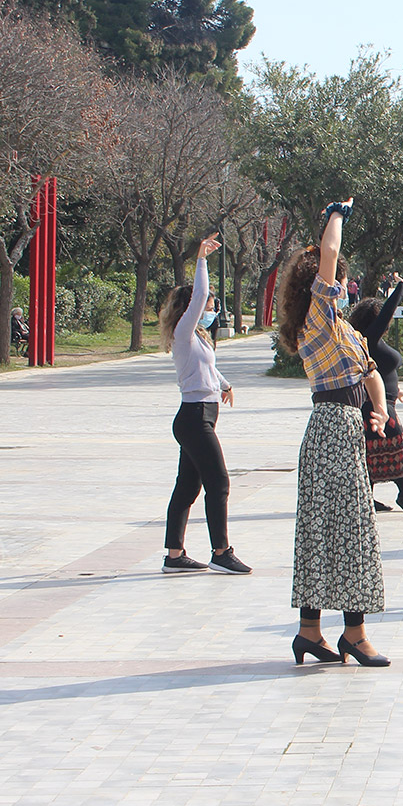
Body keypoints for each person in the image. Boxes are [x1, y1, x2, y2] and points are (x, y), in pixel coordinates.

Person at [279, 199, 392, 667]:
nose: (345, 286)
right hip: (332, 429)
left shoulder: (341, 329)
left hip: (342, 429)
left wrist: (381, 410)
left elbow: (370, 373)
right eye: (340, 280)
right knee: (350, 531)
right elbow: (329, 250)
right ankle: (354, 633)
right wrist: (337, 215)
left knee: (326, 529)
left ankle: (311, 632)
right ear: (320, 286)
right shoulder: (318, 319)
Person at [156, 233, 251, 576]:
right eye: (210, 307)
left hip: (203, 414)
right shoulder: (184, 330)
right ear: (191, 308)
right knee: (219, 482)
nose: (212, 311)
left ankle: (174, 554)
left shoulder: (197, 337)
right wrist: (201, 260)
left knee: (188, 486)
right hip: (194, 417)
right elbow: (197, 296)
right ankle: (221, 551)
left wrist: (224, 384)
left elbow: (208, 368)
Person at [347, 273, 403, 513]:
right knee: (395, 443)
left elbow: (383, 370)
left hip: (388, 401)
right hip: (374, 405)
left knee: (377, 448)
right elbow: (388, 311)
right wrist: (400, 287)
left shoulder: (372, 344)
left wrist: (396, 390)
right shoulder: (368, 339)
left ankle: (389, 495)